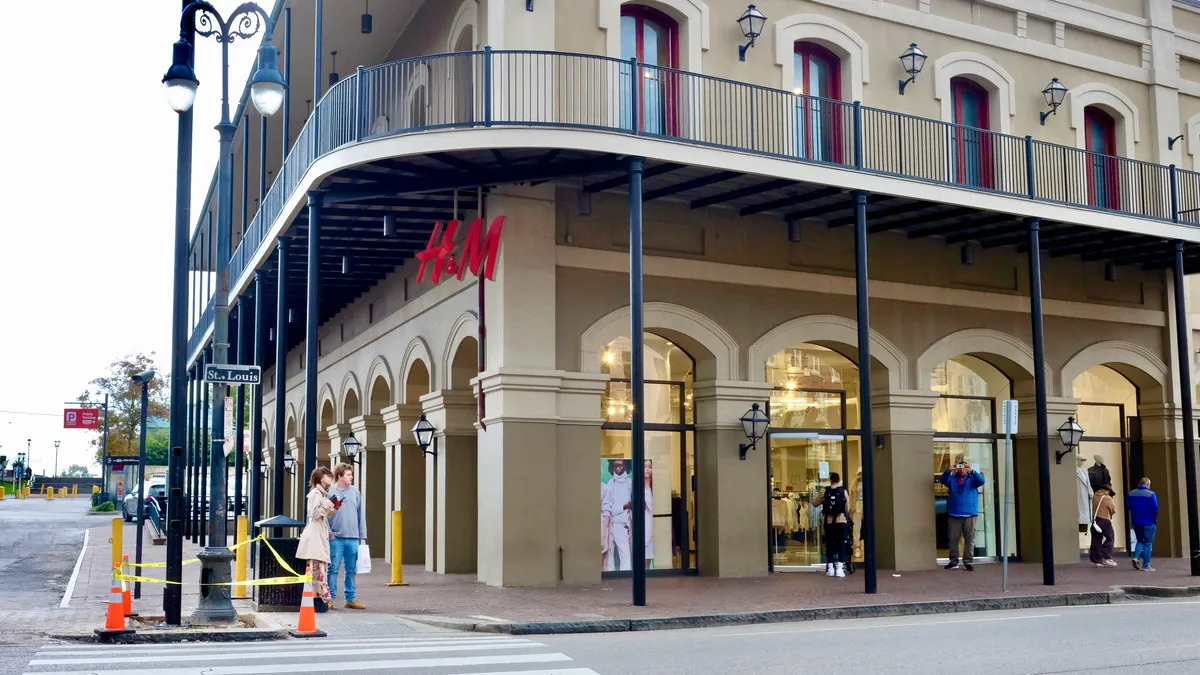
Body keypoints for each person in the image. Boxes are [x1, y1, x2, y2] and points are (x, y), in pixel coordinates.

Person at [296, 467, 337, 612]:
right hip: (315, 534)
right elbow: (313, 514)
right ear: (321, 478)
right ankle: (314, 598)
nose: (331, 479)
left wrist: (334, 506)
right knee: (315, 566)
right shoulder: (315, 494)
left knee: (321, 567)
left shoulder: (323, 494)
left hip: (321, 532)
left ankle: (318, 598)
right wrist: (328, 504)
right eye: (328, 476)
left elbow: (324, 513)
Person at [328, 463, 368, 609]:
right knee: (333, 568)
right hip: (335, 538)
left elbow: (360, 514)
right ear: (339, 476)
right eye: (348, 474)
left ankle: (350, 598)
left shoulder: (355, 492)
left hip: (353, 537)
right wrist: (329, 534)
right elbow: (324, 515)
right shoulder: (329, 492)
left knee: (351, 570)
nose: (352, 477)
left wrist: (362, 536)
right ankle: (330, 598)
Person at [939, 459, 986, 571]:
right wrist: (948, 471)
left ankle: (968, 561)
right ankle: (954, 561)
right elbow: (943, 480)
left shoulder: (972, 479)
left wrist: (972, 471)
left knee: (969, 539)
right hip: (954, 513)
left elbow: (982, 481)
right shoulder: (952, 479)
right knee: (953, 539)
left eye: (964, 467)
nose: (961, 469)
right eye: (959, 467)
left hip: (969, 514)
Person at [812, 472, 849, 578]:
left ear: (830, 480)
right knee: (841, 544)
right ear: (839, 480)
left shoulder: (824, 491)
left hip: (829, 522)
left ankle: (831, 568)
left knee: (829, 544)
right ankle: (840, 569)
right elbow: (847, 508)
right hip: (841, 521)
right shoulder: (844, 492)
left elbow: (815, 503)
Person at [601, 459, 633, 571]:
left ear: (626, 466)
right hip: (610, 524)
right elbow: (608, 507)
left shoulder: (630, 483)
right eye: (615, 465)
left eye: (621, 465)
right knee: (609, 558)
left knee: (625, 556)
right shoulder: (610, 483)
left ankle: (626, 580)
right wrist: (624, 507)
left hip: (623, 526)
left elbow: (632, 505)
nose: (618, 468)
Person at [1126, 477, 1159, 571]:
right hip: (1148, 522)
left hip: (1136, 522)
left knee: (1140, 540)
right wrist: (1154, 520)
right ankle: (1146, 565)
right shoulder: (1151, 494)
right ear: (1148, 484)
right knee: (1148, 543)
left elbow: (1128, 505)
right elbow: (1155, 509)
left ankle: (1136, 557)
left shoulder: (1132, 493)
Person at [1089, 484, 1117, 568]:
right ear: (1107, 491)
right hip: (1105, 520)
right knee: (1110, 537)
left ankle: (1097, 561)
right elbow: (1113, 509)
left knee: (1096, 540)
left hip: (1095, 521)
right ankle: (1105, 555)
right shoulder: (1107, 498)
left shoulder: (1094, 496)